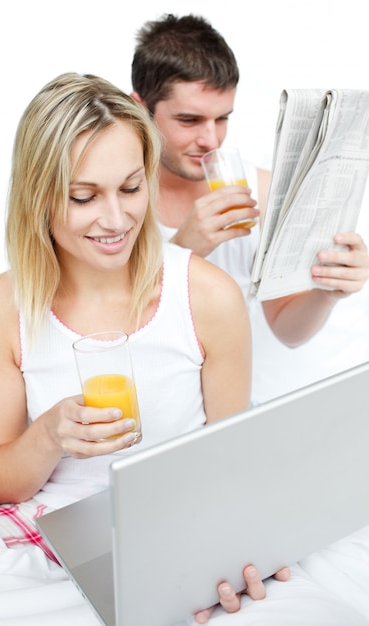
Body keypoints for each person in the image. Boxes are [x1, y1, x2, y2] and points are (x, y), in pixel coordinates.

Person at [0, 72, 288, 623]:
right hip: (61, 529)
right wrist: (48, 433)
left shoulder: (207, 297)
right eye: (83, 196)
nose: (116, 221)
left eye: (132, 188)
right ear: (37, 196)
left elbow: (233, 460)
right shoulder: (0, 310)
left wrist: (229, 547)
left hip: (181, 514)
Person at [130, 13, 369, 403]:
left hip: (239, 409)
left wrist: (327, 291)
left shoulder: (258, 189)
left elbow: (286, 329)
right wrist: (181, 252)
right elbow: (108, 330)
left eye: (222, 118)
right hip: (155, 412)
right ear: (140, 107)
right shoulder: (112, 198)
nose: (211, 139)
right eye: (189, 120)